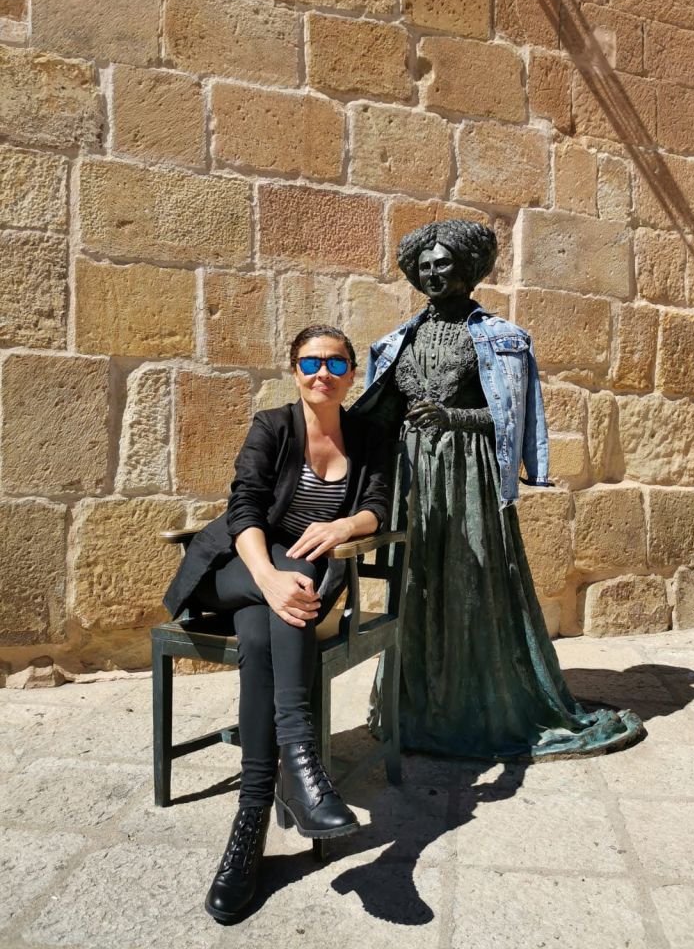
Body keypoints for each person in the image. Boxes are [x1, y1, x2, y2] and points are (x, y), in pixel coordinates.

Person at [353, 219, 644, 760]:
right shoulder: (397, 341)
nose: (432, 273)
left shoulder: (502, 338)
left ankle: (478, 701)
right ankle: (417, 704)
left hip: (470, 471)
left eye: (443, 263)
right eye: (424, 265)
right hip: (416, 474)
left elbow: (511, 417)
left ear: (466, 268)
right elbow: (382, 412)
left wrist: (455, 417)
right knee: (418, 578)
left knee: (475, 575)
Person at [163, 325, 391, 924]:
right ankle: (301, 760)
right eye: (311, 363)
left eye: (336, 364)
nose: (323, 373)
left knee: (266, 627)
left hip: (289, 593)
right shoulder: (272, 426)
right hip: (233, 571)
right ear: (295, 371)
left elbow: (379, 505)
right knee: (290, 579)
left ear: (351, 374)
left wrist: (344, 527)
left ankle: (250, 822)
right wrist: (266, 577)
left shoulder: (368, 437)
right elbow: (243, 507)